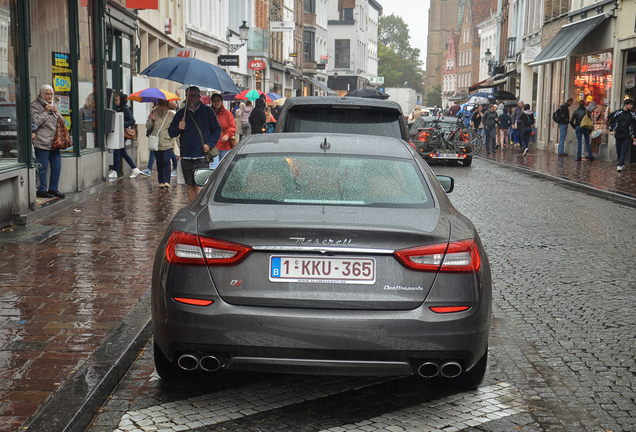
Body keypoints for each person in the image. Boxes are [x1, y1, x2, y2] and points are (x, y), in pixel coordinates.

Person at [168, 86, 222, 202]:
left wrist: (210, 144)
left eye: (193, 96)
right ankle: (193, 209)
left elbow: (217, 130)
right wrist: (178, 127)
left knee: (201, 186)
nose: (190, 99)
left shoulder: (207, 112)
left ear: (199, 97)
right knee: (190, 185)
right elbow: (171, 132)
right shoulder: (181, 113)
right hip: (186, 155)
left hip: (201, 156)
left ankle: (199, 209)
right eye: (188, 96)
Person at [31, 85, 65, 199]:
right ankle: (42, 189)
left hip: (55, 141)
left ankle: (53, 188)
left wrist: (58, 113)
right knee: (42, 167)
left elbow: (63, 121)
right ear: (41, 94)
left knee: (56, 167)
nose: (49, 96)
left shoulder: (54, 104)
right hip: (42, 141)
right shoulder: (35, 106)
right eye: (47, 94)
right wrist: (45, 112)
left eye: (51, 94)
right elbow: (35, 123)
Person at [111, 93, 143, 179]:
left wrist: (121, 124)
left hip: (122, 134)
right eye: (115, 100)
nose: (116, 102)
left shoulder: (126, 109)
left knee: (117, 150)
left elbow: (132, 121)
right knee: (122, 152)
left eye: (117, 100)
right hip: (118, 133)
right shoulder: (119, 109)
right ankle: (134, 168)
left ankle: (114, 171)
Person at [145, 99, 175, 188]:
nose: (162, 107)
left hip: (168, 141)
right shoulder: (153, 113)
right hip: (156, 142)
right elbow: (148, 126)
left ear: (167, 106)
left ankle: (167, 181)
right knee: (159, 162)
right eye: (160, 105)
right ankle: (161, 181)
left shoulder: (171, 115)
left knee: (166, 161)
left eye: (164, 105)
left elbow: (174, 128)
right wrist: (152, 119)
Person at [608, 98, 636, 171]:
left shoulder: (632, 114)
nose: (631, 106)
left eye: (632, 105)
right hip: (618, 133)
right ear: (625, 105)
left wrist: (633, 133)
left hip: (627, 134)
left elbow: (634, 124)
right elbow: (612, 121)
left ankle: (619, 165)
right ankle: (622, 163)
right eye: (630, 105)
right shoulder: (618, 112)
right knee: (618, 150)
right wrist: (611, 129)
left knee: (624, 150)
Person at [211, 93, 237, 161]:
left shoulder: (228, 114)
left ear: (221, 101)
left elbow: (232, 126)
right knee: (214, 166)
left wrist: (227, 135)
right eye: (214, 101)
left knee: (224, 166)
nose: (216, 102)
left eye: (218, 100)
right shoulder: (209, 113)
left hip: (225, 145)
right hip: (213, 145)